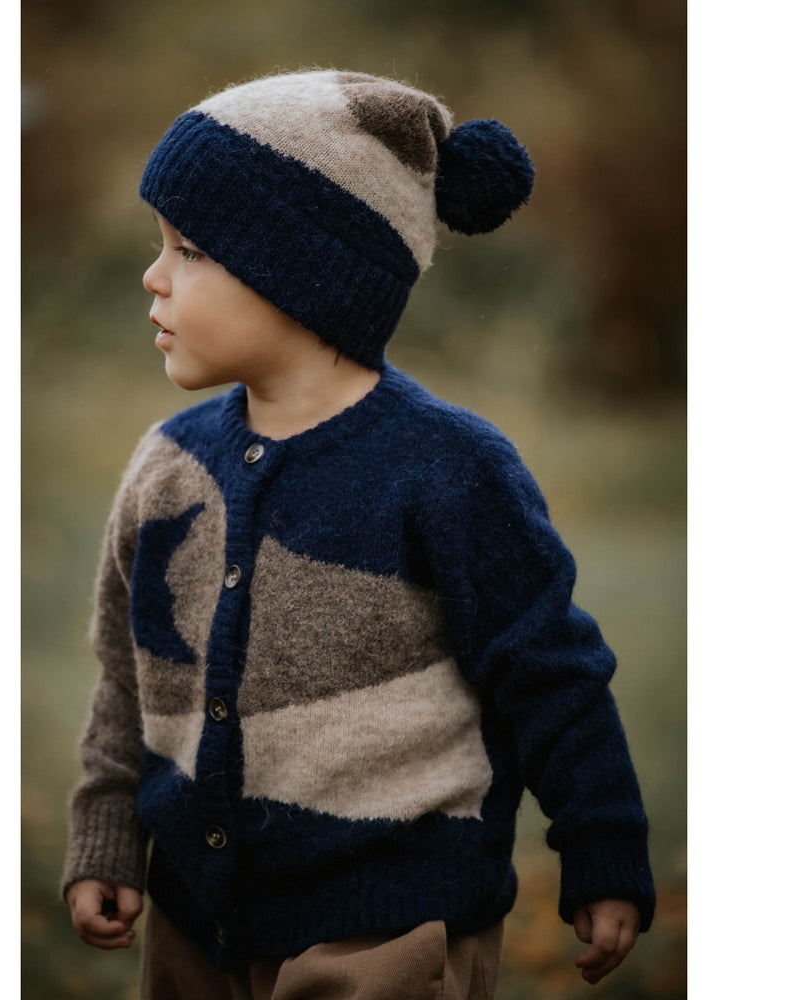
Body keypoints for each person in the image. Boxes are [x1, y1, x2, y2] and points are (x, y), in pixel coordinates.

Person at [61, 69, 656, 999]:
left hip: (389, 925)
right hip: (194, 921)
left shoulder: (449, 469)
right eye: (160, 245)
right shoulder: (167, 465)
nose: (155, 275)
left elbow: (549, 673)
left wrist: (603, 845)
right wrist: (106, 834)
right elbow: (127, 674)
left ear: (299, 271)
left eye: (190, 250)